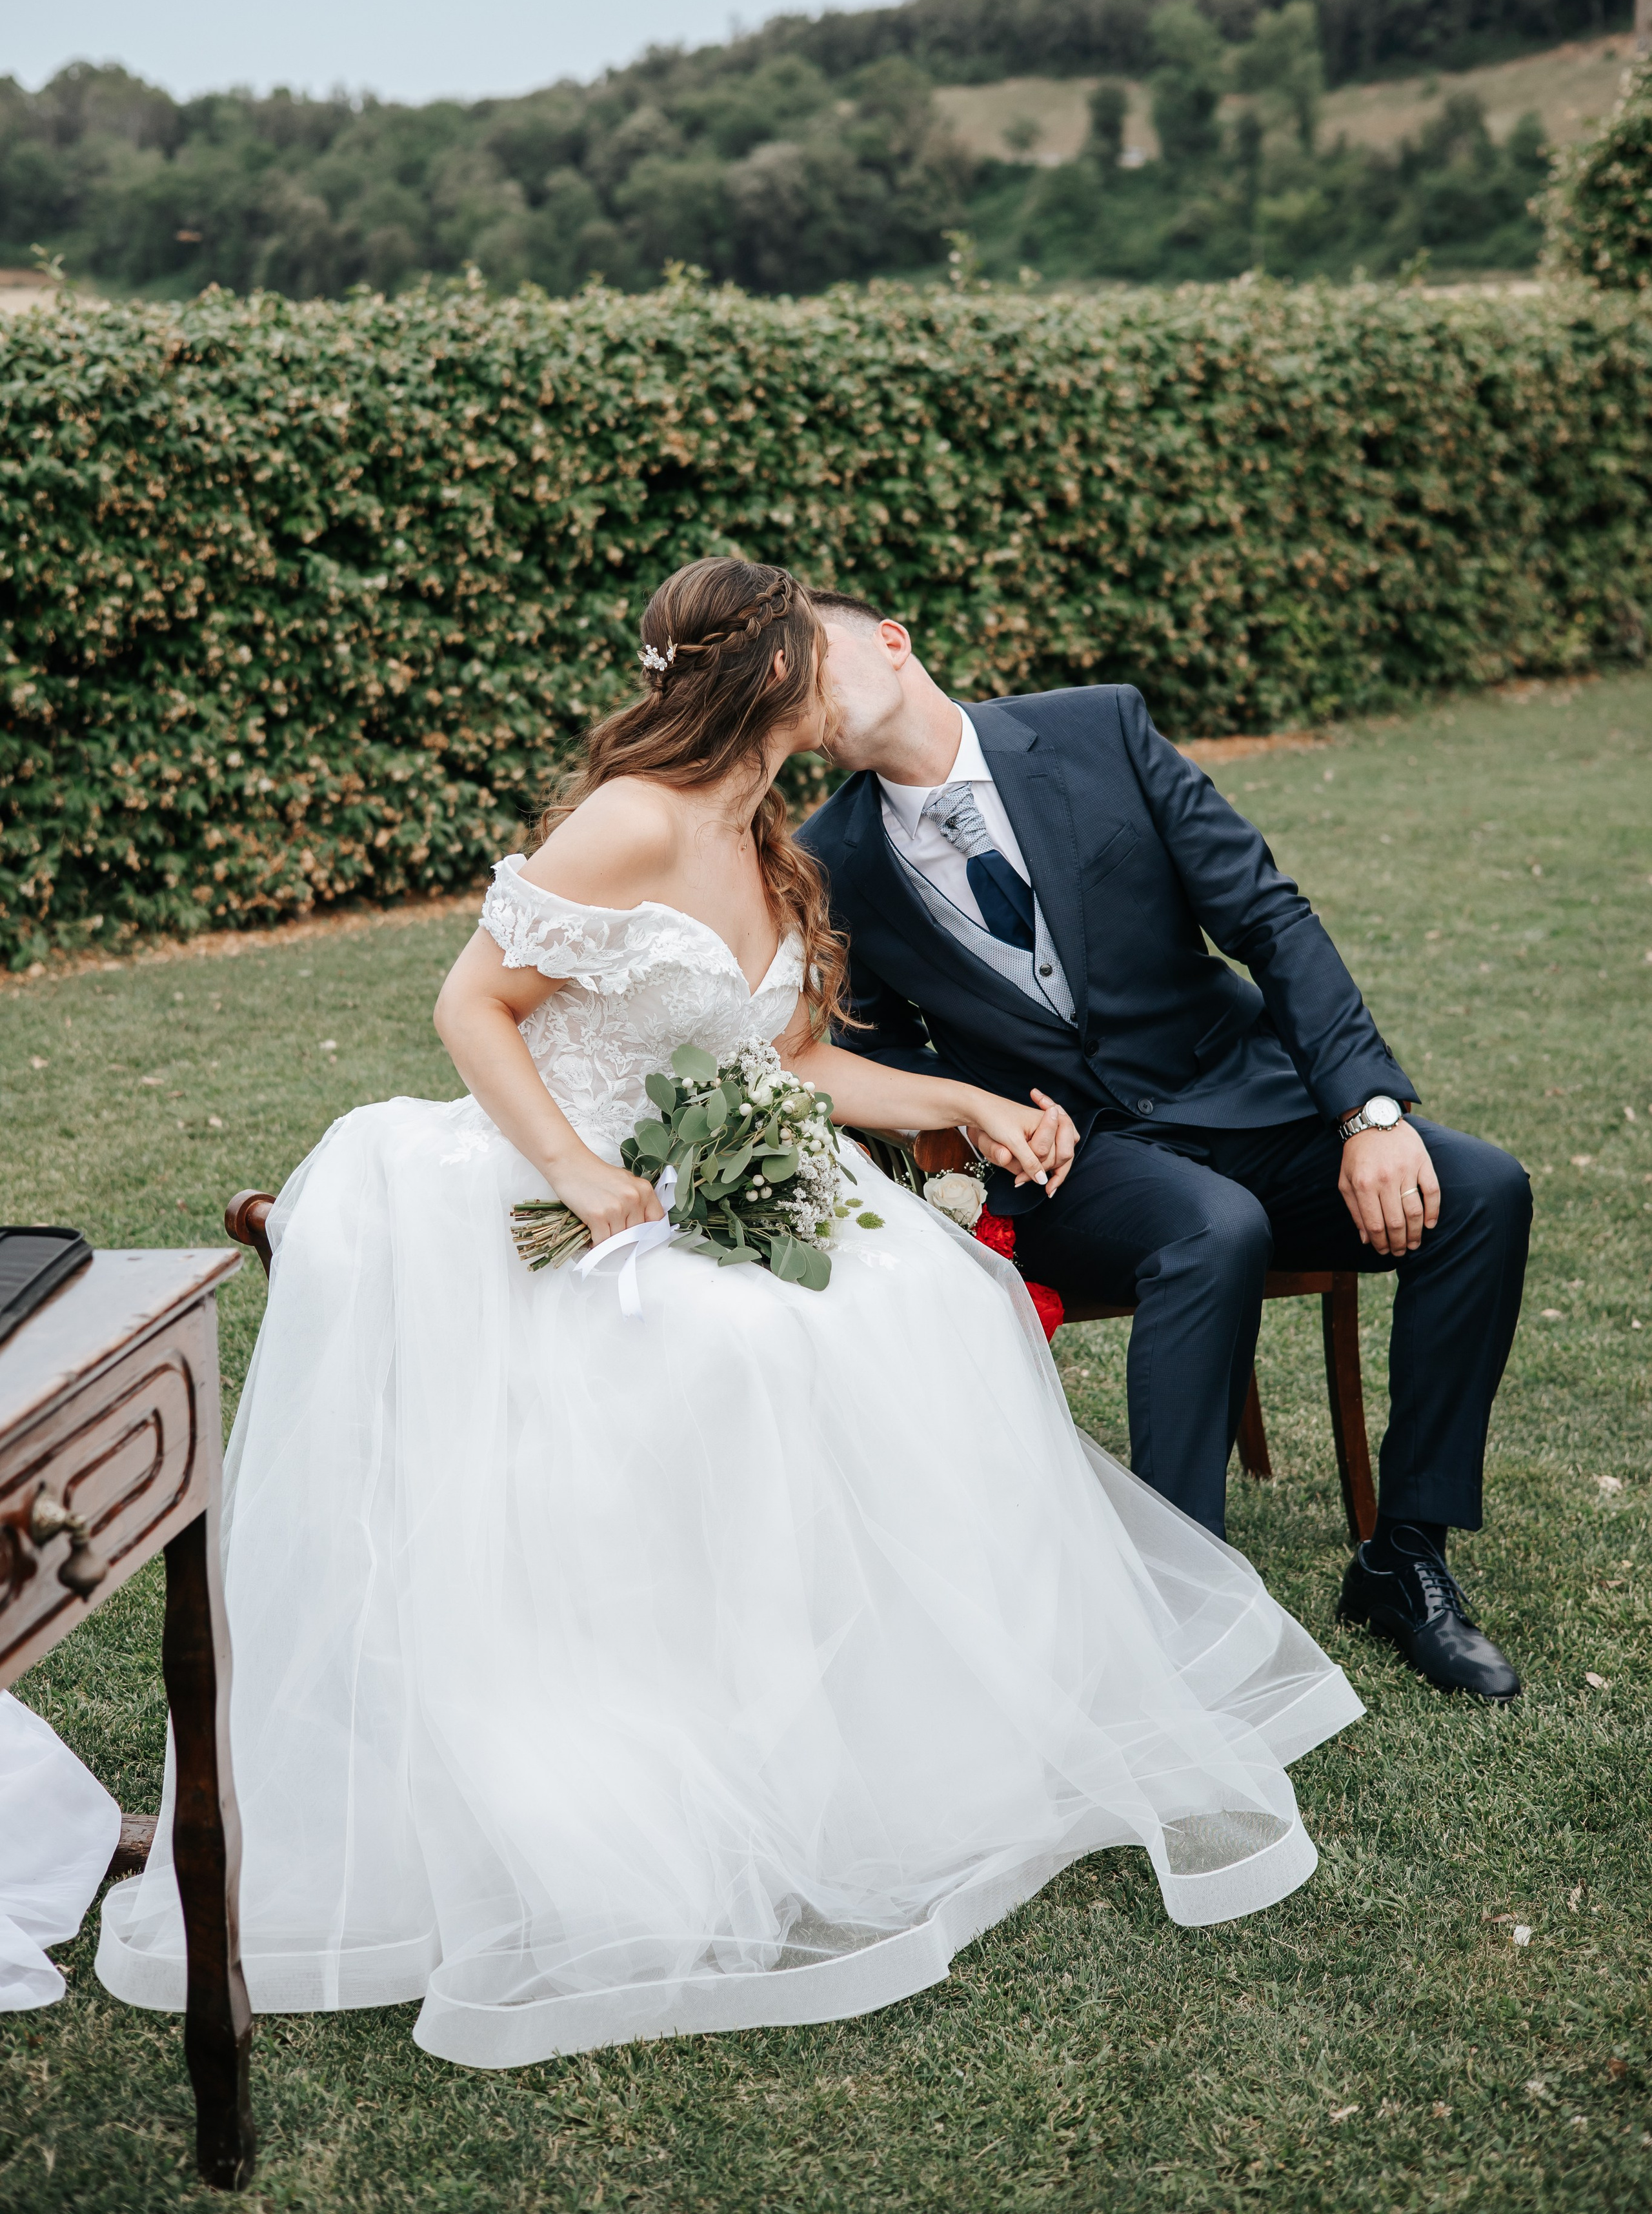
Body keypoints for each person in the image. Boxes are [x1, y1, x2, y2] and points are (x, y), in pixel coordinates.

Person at [98, 560, 1361, 2071]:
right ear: (762, 673)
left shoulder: (772, 842)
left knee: (939, 1313)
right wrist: (576, 1165)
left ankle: (888, 1741)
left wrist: (959, 1097)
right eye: (808, 654)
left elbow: (795, 1067)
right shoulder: (633, 812)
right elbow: (468, 1004)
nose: (834, 677)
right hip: (555, 1182)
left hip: (708, 1168)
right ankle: (724, 1754)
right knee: (747, 1348)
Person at [803, 592, 1531, 1702]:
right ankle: (1181, 1606)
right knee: (1209, 1226)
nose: (800, 697)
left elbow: (1267, 917)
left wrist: (1368, 1113)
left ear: (891, 642)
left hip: (1244, 1098)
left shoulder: (1101, 726)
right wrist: (963, 1136)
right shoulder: (829, 857)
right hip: (1073, 1163)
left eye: (811, 662)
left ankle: (1406, 1558)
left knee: (1479, 1188)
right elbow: (880, 1050)